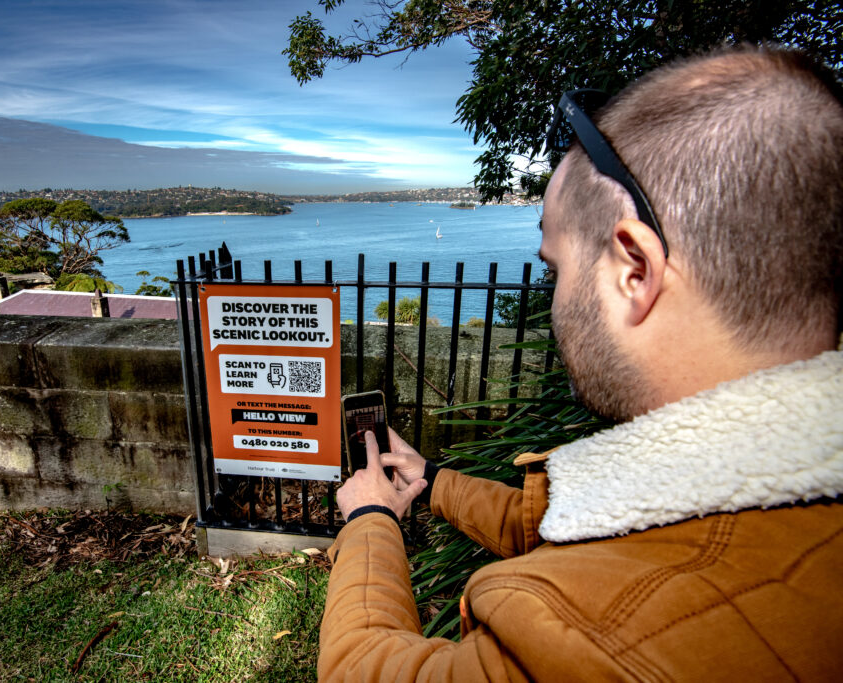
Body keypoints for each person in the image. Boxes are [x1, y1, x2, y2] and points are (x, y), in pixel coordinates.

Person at [319, 45, 843, 681]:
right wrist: (429, 478)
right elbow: (555, 527)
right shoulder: (778, 483)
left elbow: (361, 670)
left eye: (555, 266)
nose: (553, 296)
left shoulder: (596, 637)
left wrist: (371, 520)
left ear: (634, 270)